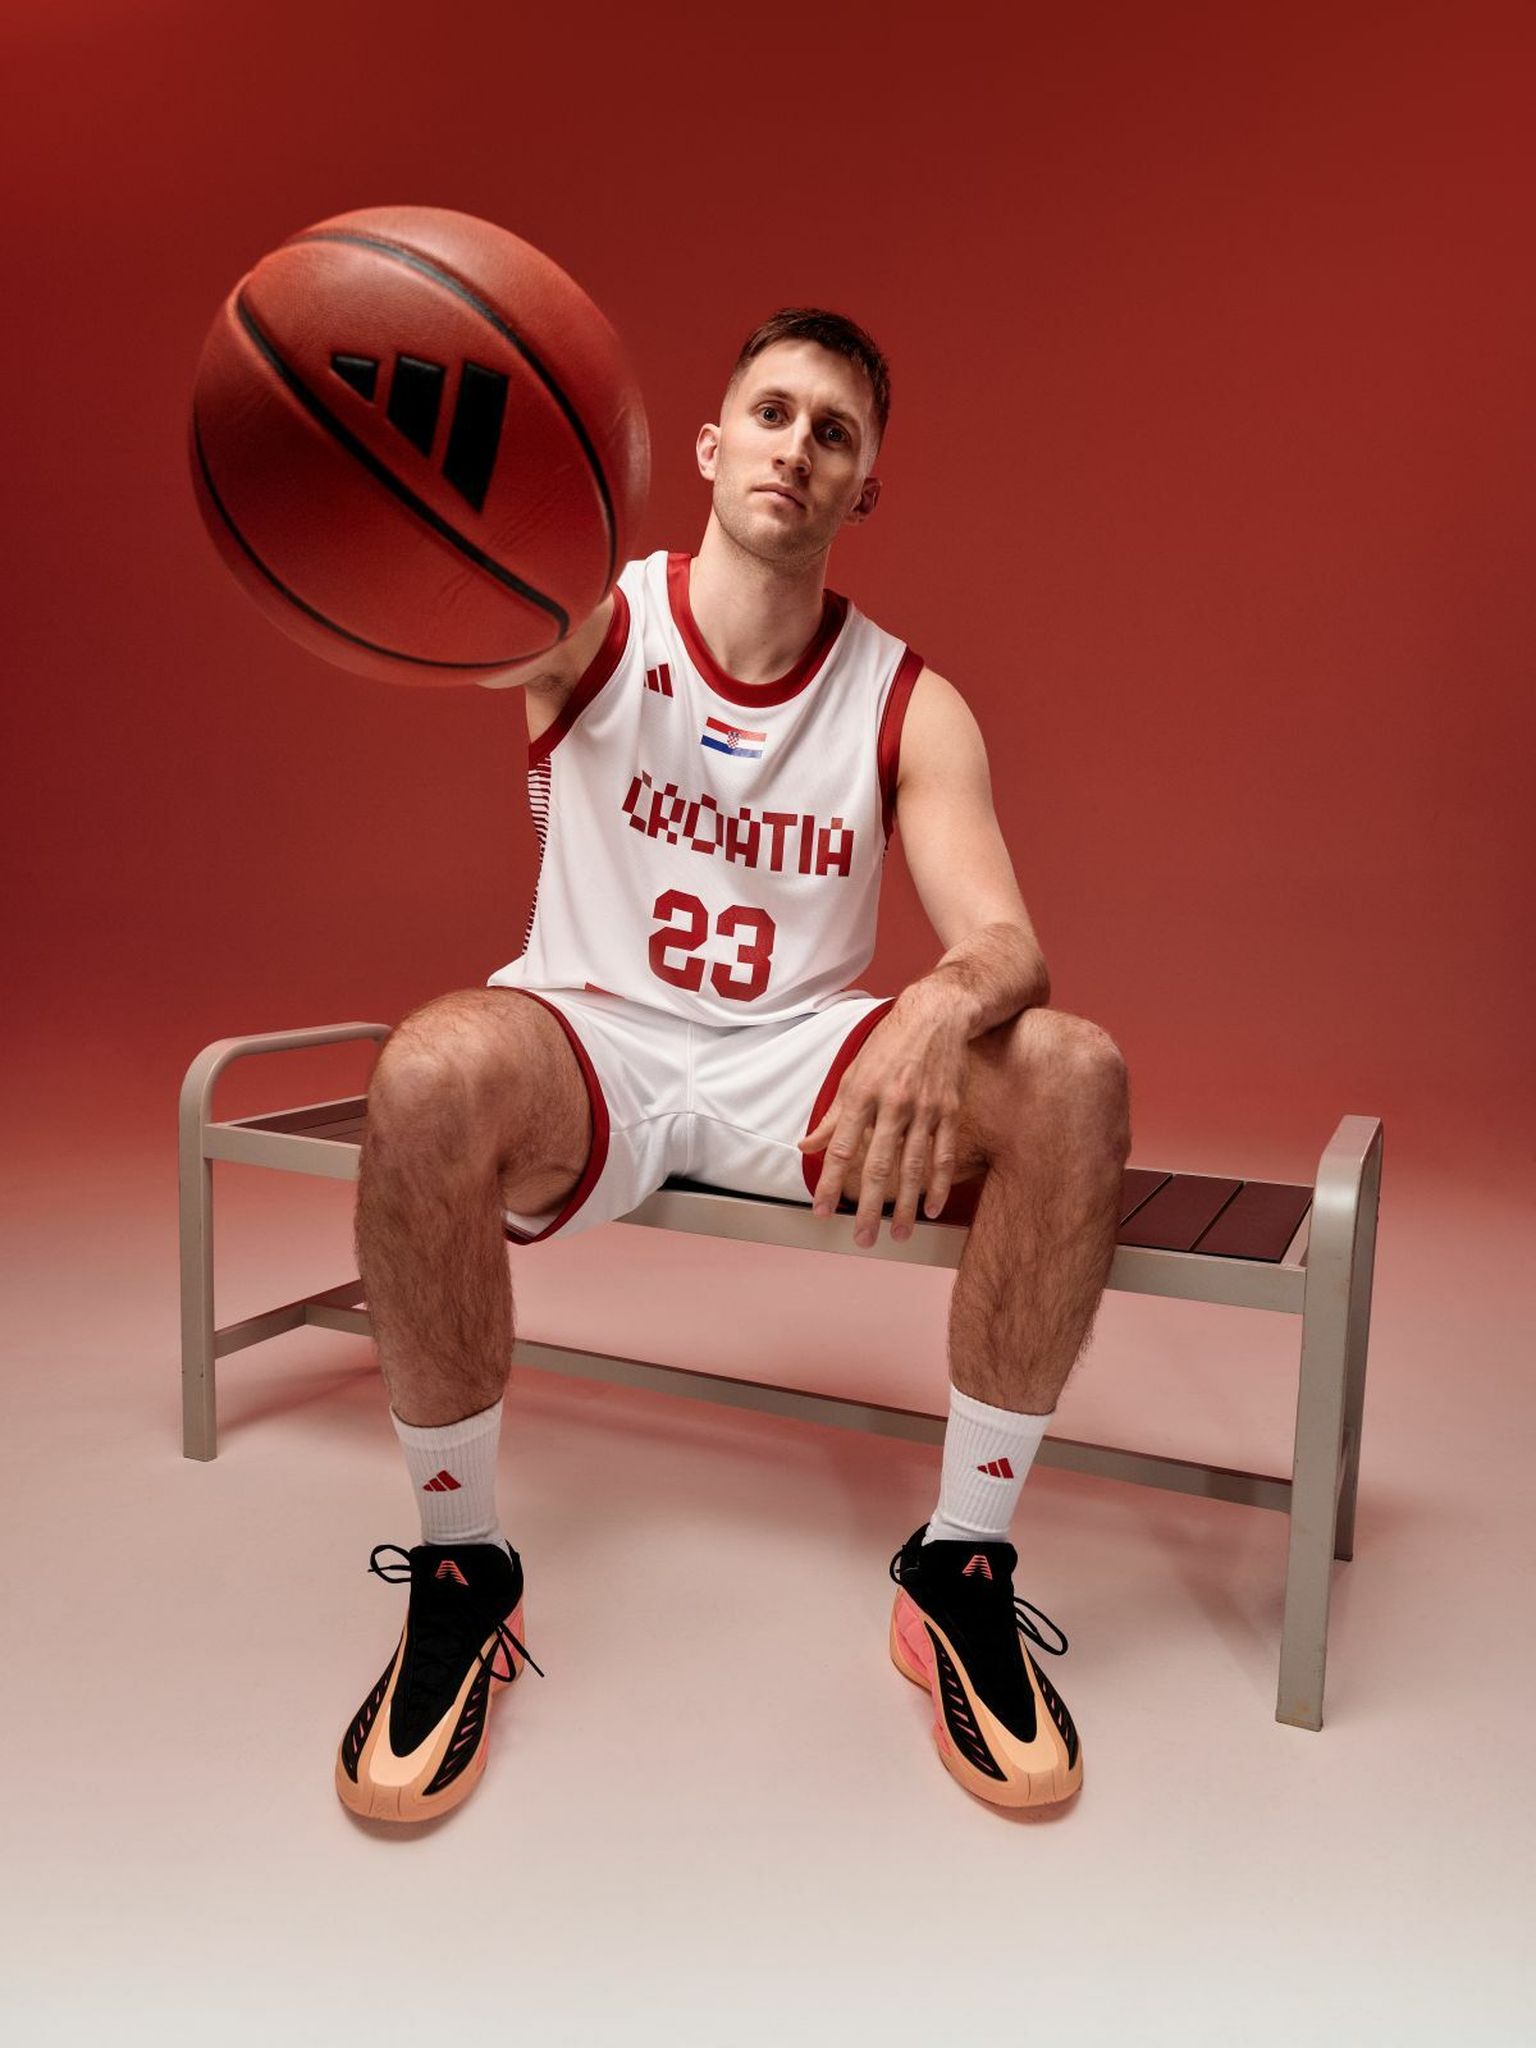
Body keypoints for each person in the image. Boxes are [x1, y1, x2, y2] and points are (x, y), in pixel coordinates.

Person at [335, 309, 1133, 1823]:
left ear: (864, 486)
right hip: (595, 1036)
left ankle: (960, 1565)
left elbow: (1007, 946)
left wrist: (937, 1002)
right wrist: (373, 393)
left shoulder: (907, 701)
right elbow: (432, 548)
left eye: (834, 432)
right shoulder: (590, 625)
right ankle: (461, 1567)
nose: (796, 448)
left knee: (1074, 1074)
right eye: (771, 413)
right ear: (709, 449)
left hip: (796, 1063)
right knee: (427, 1070)